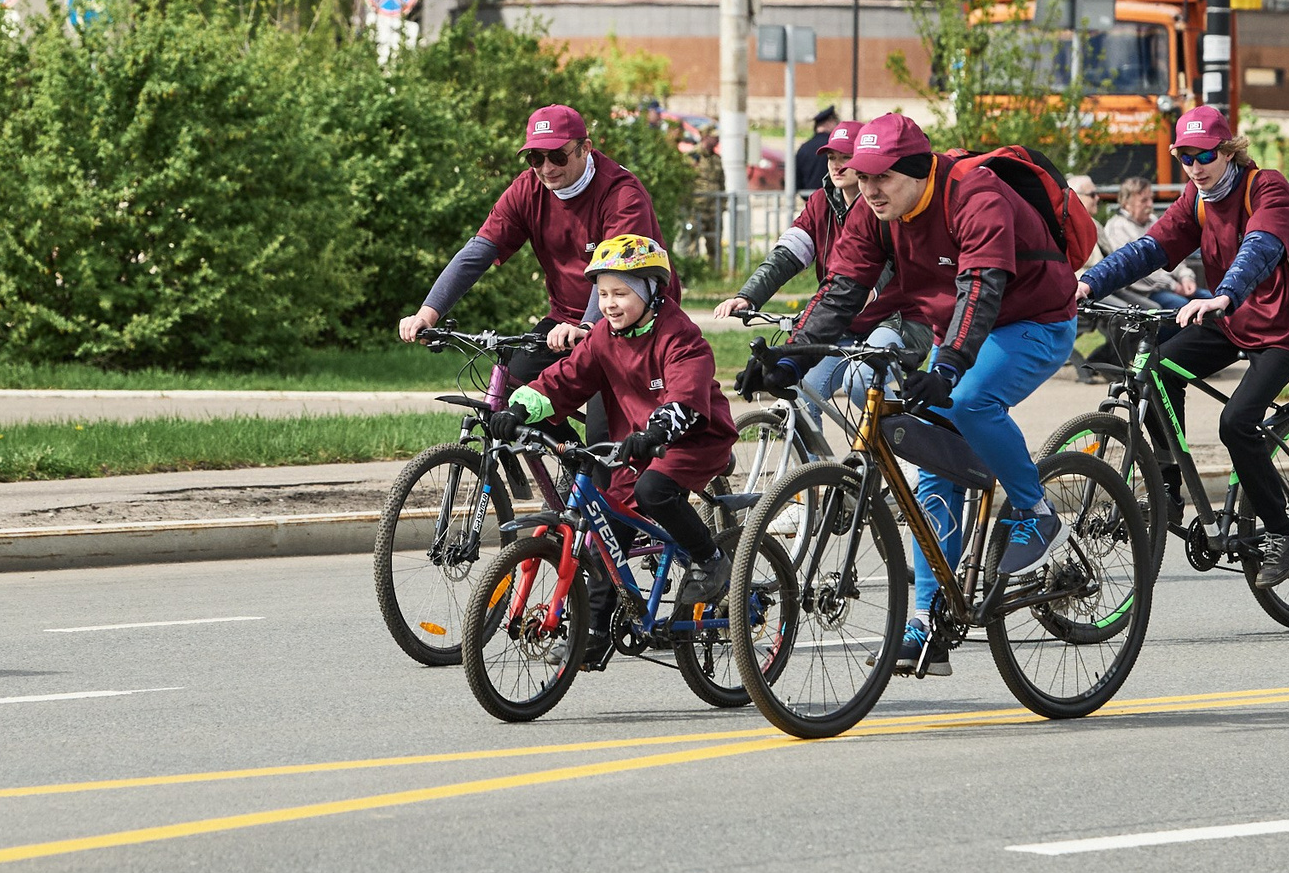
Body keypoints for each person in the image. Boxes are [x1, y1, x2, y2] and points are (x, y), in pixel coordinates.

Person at [771, 113, 1081, 675]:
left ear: (915, 171)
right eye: (860, 178)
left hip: (1034, 320)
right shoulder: (874, 211)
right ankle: (926, 623)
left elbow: (982, 287)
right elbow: (842, 290)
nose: (866, 190)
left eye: (880, 178)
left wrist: (951, 366)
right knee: (932, 464)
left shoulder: (974, 195)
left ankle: (1036, 511)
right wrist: (791, 357)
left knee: (967, 402)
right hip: (958, 329)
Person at [1075, 107, 1289, 585]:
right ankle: (1167, 481)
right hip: (1232, 317)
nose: (1195, 165)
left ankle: (1284, 531)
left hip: (1286, 325)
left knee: (1236, 422)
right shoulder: (1196, 197)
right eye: (1184, 155)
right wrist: (1089, 284)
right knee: (1156, 371)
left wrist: (1223, 294)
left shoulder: (1267, 188)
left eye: (1204, 154)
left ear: (1228, 150)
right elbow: (1150, 249)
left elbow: (1261, 246)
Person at [486, 234, 739, 647]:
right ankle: (597, 633)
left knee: (654, 489)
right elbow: (567, 377)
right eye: (602, 293)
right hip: (637, 444)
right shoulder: (604, 335)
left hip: (693, 438)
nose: (609, 303)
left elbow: (686, 396)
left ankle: (710, 560)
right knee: (608, 531)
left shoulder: (680, 335)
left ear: (651, 291)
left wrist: (656, 432)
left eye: (621, 293)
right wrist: (520, 408)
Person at [398, 106, 669, 422]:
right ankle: (568, 462)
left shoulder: (621, 194)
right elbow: (477, 254)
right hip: (563, 321)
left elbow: (616, 272)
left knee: (604, 438)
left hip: (629, 321)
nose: (546, 168)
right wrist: (427, 314)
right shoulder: (527, 189)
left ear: (585, 148)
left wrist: (586, 327)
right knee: (511, 400)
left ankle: (601, 466)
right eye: (535, 158)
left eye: (557, 156)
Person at [714, 121, 934, 410]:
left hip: (895, 320)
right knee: (801, 393)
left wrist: (864, 294)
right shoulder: (820, 203)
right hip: (844, 325)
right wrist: (748, 296)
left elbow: (874, 275)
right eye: (832, 158)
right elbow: (786, 256)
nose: (837, 166)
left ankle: (913, 435)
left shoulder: (887, 204)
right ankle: (820, 459)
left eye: (846, 158)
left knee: (861, 382)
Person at [1098, 176, 1196, 312]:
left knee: (1208, 300)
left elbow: (1175, 252)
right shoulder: (1117, 227)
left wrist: (1185, 277)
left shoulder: (1153, 220)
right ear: (1126, 204)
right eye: (1144, 200)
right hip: (1145, 292)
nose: (1150, 204)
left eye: (1151, 198)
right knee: (1183, 308)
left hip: (1171, 285)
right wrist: (1173, 285)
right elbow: (1134, 268)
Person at [793, 107, 843, 196]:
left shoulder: (804, 148)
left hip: (809, 200)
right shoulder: (835, 146)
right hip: (835, 200)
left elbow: (796, 180)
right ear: (830, 122)